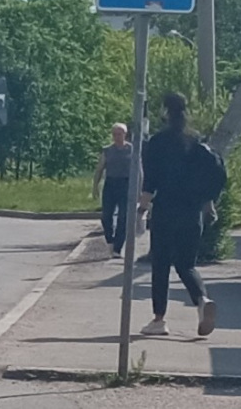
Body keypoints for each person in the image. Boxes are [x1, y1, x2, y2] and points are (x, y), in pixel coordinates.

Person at [138, 93, 218, 337]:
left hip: (166, 210)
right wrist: (208, 204)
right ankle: (202, 301)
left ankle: (159, 320)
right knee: (186, 264)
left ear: (165, 112)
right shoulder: (196, 140)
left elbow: (150, 181)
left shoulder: (158, 142)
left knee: (161, 264)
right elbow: (206, 174)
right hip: (192, 211)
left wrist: (141, 209)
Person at [93, 123, 133, 258]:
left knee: (123, 217)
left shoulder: (132, 149)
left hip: (126, 184)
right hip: (110, 184)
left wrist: (139, 190)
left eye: (119, 134)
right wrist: (95, 187)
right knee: (106, 216)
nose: (116, 137)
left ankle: (117, 247)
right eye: (114, 134)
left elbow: (139, 170)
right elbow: (99, 169)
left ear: (125, 134)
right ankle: (110, 240)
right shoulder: (107, 150)